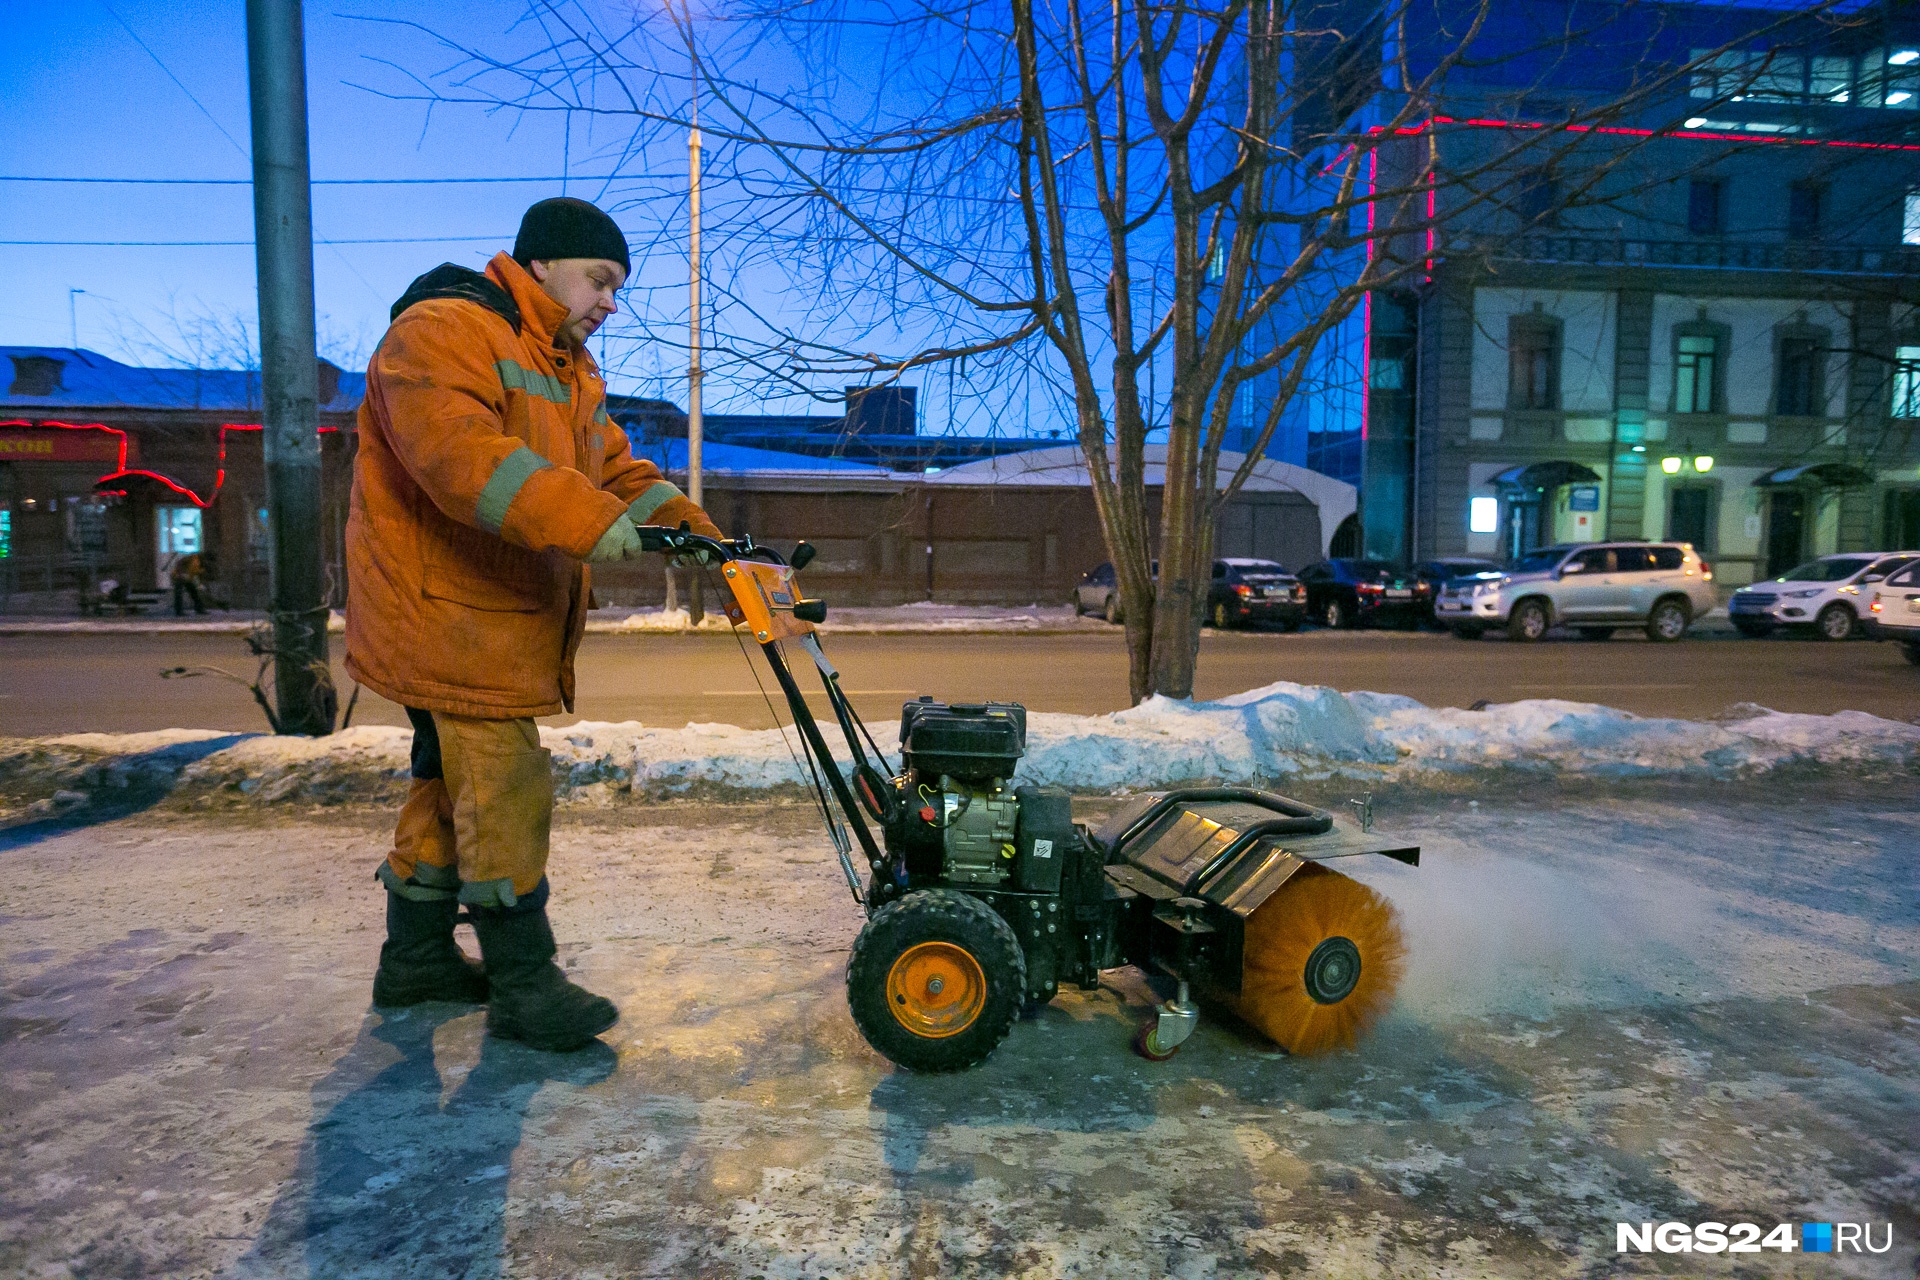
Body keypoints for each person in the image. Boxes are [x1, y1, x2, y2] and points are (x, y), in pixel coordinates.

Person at [345, 197, 724, 1052]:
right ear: (543, 263)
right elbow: (459, 454)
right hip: (445, 612)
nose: (610, 303)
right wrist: (583, 518)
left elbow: (616, 468)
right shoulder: (444, 331)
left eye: (618, 287)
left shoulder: (565, 368)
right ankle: (523, 983)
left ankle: (415, 964)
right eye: (601, 279)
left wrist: (702, 535)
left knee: (453, 791)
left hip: (489, 615)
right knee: (504, 788)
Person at [170, 551, 208, 616]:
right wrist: (181, 573)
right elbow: (180, 562)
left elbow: (200, 575)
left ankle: (199, 609)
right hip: (178, 576)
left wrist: (200, 584)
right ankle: (179, 611)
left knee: (194, 592)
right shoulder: (193, 557)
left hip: (188, 578)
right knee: (178, 594)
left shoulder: (202, 566)